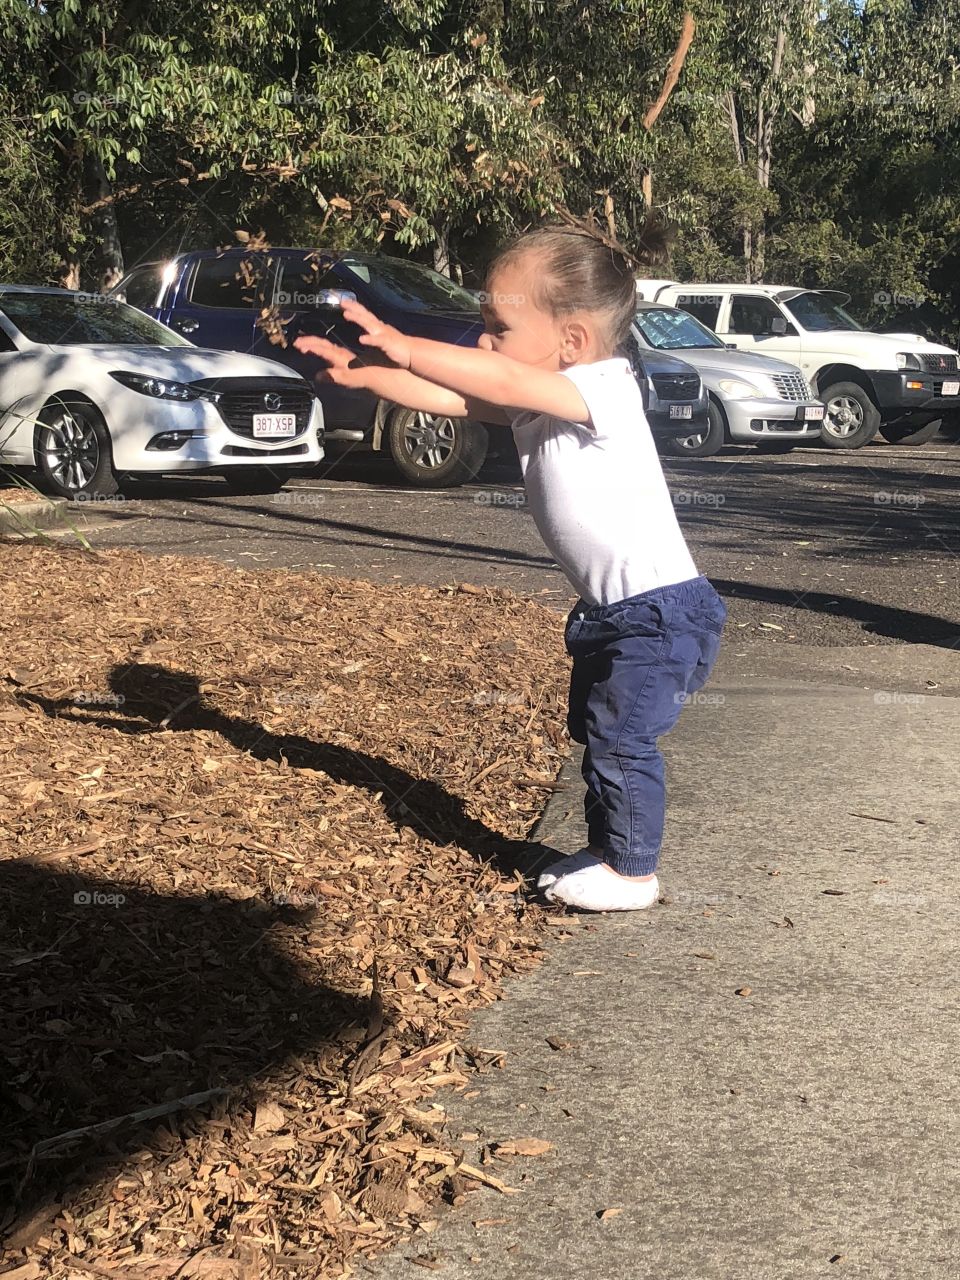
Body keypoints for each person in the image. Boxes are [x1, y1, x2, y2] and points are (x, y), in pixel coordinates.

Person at [293, 225, 726, 911]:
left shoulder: (605, 390)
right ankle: (609, 852)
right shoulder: (545, 393)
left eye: (497, 326)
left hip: (660, 614)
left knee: (622, 738)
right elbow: (461, 397)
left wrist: (405, 342)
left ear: (573, 342)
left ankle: (635, 873)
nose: (484, 342)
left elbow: (491, 376)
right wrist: (369, 372)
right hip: (613, 614)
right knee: (597, 735)